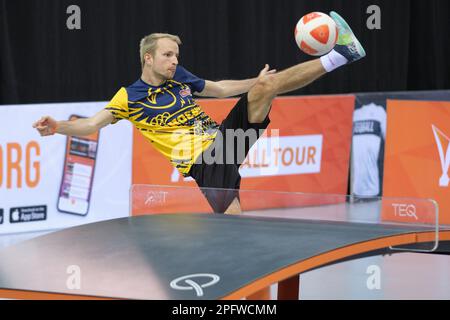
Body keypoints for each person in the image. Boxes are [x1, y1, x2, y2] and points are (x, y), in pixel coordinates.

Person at [33, 11, 366, 214]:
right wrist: (58, 126)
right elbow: (92, 124)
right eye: (167, 55)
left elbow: (219, 88)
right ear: (148, 58)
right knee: (235, 227)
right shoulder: (129, 97)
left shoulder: (179, 77)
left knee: (266, 87)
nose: (175, 60)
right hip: (204, 165)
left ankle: (341, 55)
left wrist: (257, 80)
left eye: (176, 55)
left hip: (225, 141)